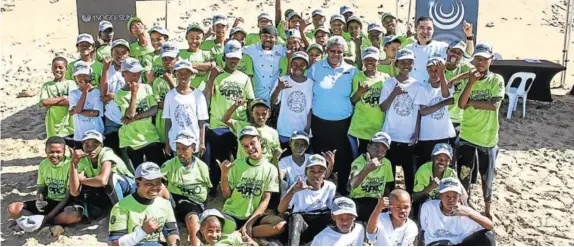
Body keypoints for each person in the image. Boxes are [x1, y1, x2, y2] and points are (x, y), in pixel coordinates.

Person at [457, 43, 504, 220]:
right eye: (477, 59)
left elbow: (493, 105)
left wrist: (472, 103)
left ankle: (487, 208)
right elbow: (461, 104)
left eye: (484, 59)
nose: (480, 63)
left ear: (491, 60)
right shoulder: (469, 78)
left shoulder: (496, 79)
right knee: (464, 173)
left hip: (487, 137)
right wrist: (470, 82)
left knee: (487, 175)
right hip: (467, 134)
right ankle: (465, 203)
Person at [308, 36, 358, 196]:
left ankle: (341, 191)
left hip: (343, 124)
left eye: (339, 52)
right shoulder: (315, 68)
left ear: (344, 53)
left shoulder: (352, 70)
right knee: (320, 159)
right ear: (326, 51)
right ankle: (320, 191)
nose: (336, 54)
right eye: (332, 51)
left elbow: (356, 96)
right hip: (319, 123)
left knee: (343, 160)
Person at [205, 40, 255, 195]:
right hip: (218, 125)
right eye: (230, 57)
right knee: (217, 161)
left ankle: (236, 188)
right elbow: (206, 97)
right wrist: (212, 78)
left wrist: (251, 124)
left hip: (237, 126)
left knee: (239, 160)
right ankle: (214, 188)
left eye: (237, 58)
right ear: (224, 57)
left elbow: (250, 102)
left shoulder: (245, 78)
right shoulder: (216, 76)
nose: (233, 61)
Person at [219, 126, 286, 239]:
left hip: (254, 216)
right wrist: (224, 174)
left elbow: (266, 199)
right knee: (216, 225)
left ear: (260, 141)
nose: (250, 148)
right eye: (245, 146)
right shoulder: (237, 164)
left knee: (280, 225)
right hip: (232, 213)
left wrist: (250, 222)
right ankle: (242, 234)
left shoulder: (270, 168)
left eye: (252, 143)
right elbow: (227, 195)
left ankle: (240, 233)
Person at [378, 49, 426, 194]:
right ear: (397, 63)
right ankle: (389, 205)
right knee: (390, 176)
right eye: (403, 62)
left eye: (409, 62)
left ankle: (409, 203)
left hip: (408, 138)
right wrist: (394, 93)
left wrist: (417, 132)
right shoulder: (388, 84)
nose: (406, 65)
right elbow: (382, 107)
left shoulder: (418, 86)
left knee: (410, 176)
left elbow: (419, 111)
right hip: (390, 136)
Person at [7, 137, 83, 227]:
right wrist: (39, 199)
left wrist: (47, 218)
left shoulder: (69, 165)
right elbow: (41, 187)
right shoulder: (43, 164)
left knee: (75, 215)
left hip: (65, 204)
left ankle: (47, 221)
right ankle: (37, 221)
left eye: (58, 152)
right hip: (49, 201)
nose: (54, 155)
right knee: (13, 208)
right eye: (51, 152)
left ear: (64, 151)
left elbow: (67, 197)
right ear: (46, 151)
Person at [108, 162, 180, 246]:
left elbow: (172, 232)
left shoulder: (165, 204)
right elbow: (116, 244)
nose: (155, 187)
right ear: (138, 183)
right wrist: (143, 232)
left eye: (158, 182)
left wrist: (174, 244)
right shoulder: (121, 207)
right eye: (149, 183)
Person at [69, 130, 136, 219]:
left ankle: (121, 214)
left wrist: (81, 180)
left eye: (95, 145)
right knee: (87, 188)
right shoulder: (83, 159)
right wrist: (73, 164)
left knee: (110, 178)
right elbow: (74, 192)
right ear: (82, 146)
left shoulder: (106, 152)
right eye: (87, 145)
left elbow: (103, 180)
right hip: (110, 192)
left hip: (129, 187)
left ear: (101, 146)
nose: (91, 148)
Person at [160, 131, 212, 245]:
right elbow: (157, 180)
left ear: (193, 148)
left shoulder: (202, 166)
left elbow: (207, 190)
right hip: (174, 201)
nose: (180, 152)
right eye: (178, 148)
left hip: (194, 204)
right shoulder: (170, 164)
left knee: (193, 219)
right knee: (158, 186)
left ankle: (195, 243)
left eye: (184, 149)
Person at [115, 58, 163, 168]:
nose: (136, 77)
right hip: (131, 140)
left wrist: (137, 117)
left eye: (138, 74)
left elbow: (154, 109)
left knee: (156, 169)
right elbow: (129, 114)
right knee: (138, 173)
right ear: (123, 74)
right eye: (132, 74)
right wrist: (134, 93)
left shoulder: (146, 88)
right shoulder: (119, 95)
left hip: (149, 137)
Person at [278, 154, 337, 246]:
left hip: (318, 223)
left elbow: (331, 209)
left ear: (324, 173)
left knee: (330, 215)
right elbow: (281, 210)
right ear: (306, 172)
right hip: (301, 225)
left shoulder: (330, 187)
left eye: (320, 171)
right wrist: (293, 191)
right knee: (296, 217)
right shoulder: (297, 186)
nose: (316, 175)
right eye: (312, 171)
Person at [420, 177, 495, 246]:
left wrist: (469, 213)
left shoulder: (464, 212)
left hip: (457, 244)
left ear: (459, 197)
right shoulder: (429, 207)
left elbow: (490, 226)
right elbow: (424, 228)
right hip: (436, 243)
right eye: (447, 196)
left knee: (488, 236)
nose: (451, 200)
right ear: (440, 195)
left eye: (454, 196)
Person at [406, 17, 475, 84]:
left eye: (429, 28)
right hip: (412, 92)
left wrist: (469, 36)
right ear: (416, 29)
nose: (425, 31)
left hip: (434, 93)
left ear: (433, 30)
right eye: (422, 28)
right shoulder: (408, 49)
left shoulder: (442, 47)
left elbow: (467, 55)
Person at [348, 47, 390, 157]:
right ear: (363, 61)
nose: (369, 62)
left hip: (379, 126)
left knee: (378, 158)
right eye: (367, 60)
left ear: (378, 61)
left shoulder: (385, 78)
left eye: (373, 60)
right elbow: (352, 101)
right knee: (363, 158)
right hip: (361, 127)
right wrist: (360, 92)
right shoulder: (357, 77)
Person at [162, 60, 208, 158]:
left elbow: (201, 122)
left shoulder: (198, 95)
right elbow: (168, 121)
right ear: (175, 74)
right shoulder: (170, 96)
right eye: (180, 73)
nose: (183, 76)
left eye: (187, 73)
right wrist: (167, 143)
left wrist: (202, 143)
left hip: (193, 143)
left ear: (192, 74)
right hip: (176, 143)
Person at [417, 57, 456, 167]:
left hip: (445, 134)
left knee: (444, 167)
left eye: (437, 71)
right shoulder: (423, 88)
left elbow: (445, 95)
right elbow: (423, 111)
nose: (434, 74)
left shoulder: (448, 86)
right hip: (426, 135)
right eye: (431, 70)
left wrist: (442, 73)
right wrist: (444, 103)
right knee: (425, 166)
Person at [348, 132, 394, 222]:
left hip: (377, 200)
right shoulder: (358, 162)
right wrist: (367, 169)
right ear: (368, 146)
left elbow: (388, 186)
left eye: (384, 150)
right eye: (377, 146)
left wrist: (386, 203)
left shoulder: (387, 163)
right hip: (359, 199)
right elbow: (353, 184)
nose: (379, 152)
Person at [272, 51, 313, 148]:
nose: (298, 67)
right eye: (295, 64)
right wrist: (279, 88)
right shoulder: (283, 80)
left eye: (302, 64)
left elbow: (310, 109)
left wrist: (307, 128)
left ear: (307, 66)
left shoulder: (311, 83)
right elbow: (274, 101)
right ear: (290, 65)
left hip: (302, 131)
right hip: (284, 130)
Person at [223, 99, 281, 165]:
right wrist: (235, 106)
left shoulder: (273, 132)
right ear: (252, 113)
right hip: (244, 168)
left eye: (264, 114)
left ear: (269, 114)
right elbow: (225, 120)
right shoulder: (242, 126)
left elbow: (276, 152)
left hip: (263, 169)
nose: (260, 117)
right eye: (257, 113)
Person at [100, 39, 131, 159]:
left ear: (128, 54)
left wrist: (114, 96)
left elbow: (134, 93)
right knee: (113, 154)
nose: (120, 55)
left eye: (123, 52)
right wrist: (105, 70)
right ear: (112, 53)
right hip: (112, 118)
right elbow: (103, 96)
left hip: (128, 118)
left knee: (128, 154)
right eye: (117, 52)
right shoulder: (109, 70)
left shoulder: (133, 70)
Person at [243, 25, 286, 105]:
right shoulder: (253, 49)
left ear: (276, 39)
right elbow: (239, 49)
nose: (268, 39)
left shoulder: (280, 49)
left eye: (271, 37)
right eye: (264, 36)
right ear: (260, 37)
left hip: (275, 94)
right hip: (258, 95)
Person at [68, 61, 104, 149]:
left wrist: (77, 111)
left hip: (96, 134)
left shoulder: (96, 92)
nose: (82, 77)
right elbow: (77, 110)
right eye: (79, 75)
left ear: (90, 76)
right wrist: (84, 92)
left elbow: (95, 113)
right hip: (79, 136)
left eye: (84, 75)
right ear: (74, 78)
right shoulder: (73, 93)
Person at [151, 41, 179, 154]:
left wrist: (170, 81)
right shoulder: (158, 81)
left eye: (170, 59)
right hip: (162, 127)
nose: (167, 62)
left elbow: (181, 99)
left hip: (178, 127)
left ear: (177, 58)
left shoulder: (182, 78)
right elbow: (157, 104)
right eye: (164, 59)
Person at [39, 57, 76, 139]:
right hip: (52, 125)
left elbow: (71, 101)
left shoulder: (71, 83)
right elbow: (44, 102)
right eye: (55, 67)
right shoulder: (47, 85)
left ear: (66, 69)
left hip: (68, 124)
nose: (57, 70)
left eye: (60, 67)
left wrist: (51, 103)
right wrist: (63, 97)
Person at [444, 40, 474, 135]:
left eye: (459, 53)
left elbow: (478, 72)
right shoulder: (439, 66)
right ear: (447, 51)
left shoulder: (464, 68)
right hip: (441, 118)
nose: (455, 55)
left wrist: (456, 78)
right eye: (453, 51)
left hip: (458, 119)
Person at [180, 23, 217, 90]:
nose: (194, 41)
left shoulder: (207, 53)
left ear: (202, 39)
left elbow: (212, 65)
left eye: (198, 38)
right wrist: (202, 70)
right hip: (183, 92)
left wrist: (187, 66)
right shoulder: (180, 53)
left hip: (202, 93)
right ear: (186, 38)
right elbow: (178, 69)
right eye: (191, 38)